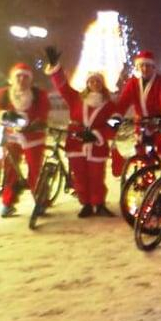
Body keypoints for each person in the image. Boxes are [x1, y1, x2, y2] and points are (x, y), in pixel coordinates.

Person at [43, 47, 117, 218]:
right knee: (80, 176)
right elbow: (62, 86)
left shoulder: (110, 105)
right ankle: (86, 204)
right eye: (92, 81)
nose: (94, 84)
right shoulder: (76, 98)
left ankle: (99, 204)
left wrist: (97, 135)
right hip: (76, 143)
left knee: (96, 176)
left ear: (102, 84)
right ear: (87, 84)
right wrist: (55, 68)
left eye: (97, 81)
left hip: (96, 146)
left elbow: (114, 124)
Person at [0, 62, 51, 217]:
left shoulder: (39, 94)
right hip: (12, 138)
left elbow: (43, 111)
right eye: (18, 76)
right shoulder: (4, 94)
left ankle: (41, 201)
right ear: (12, 78)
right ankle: (8, 203)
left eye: (25, 77)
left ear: (30, 80)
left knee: (35, 171)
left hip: (33, 138)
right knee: (9, 170)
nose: (21, 80)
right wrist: (2, 115)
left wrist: (36, 122)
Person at [115, 50, 161, 163]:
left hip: (159, 122)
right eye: (141, 65)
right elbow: (124, 101)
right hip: (142, 123)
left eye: (147, 65)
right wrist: (117, 116)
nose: (144, 68)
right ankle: (145, 177)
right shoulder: (133, 83)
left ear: (153, 67)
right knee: (142, 154)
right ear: (137, 67)